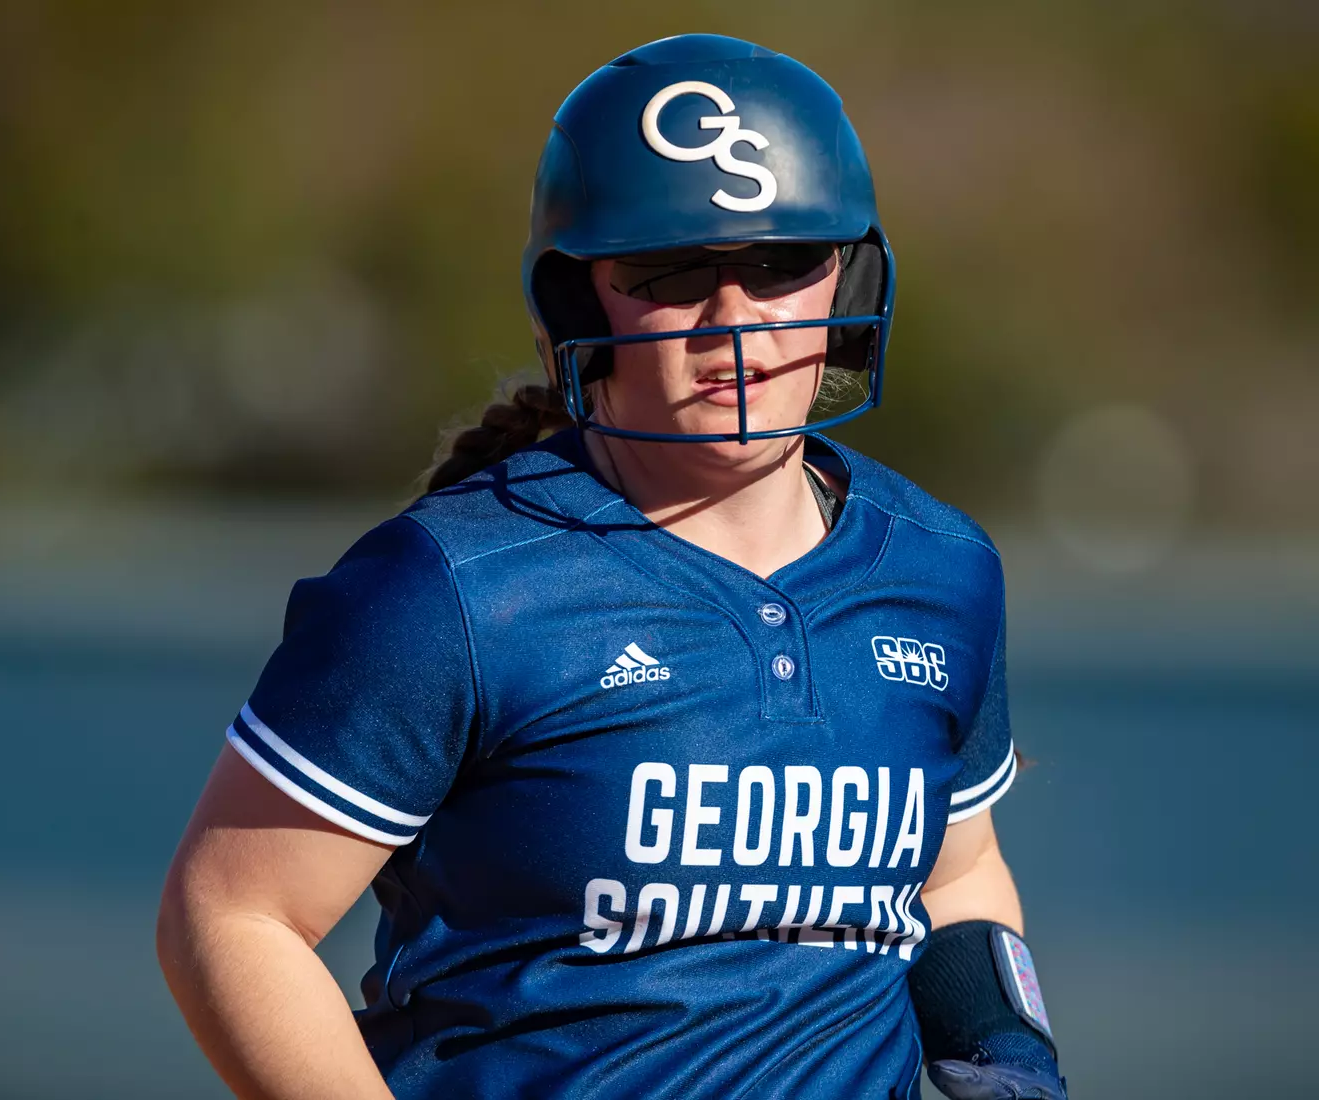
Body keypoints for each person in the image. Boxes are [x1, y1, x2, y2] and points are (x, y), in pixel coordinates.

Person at [156, 32, 1066, 1100]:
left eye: (784, 264)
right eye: (670, 272)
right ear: (579, 305)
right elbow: (231, 912)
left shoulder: (941, 569)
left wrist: (1008, 1056)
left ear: (848, 275)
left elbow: (955, 878)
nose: (736, 325)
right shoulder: (454, 587)